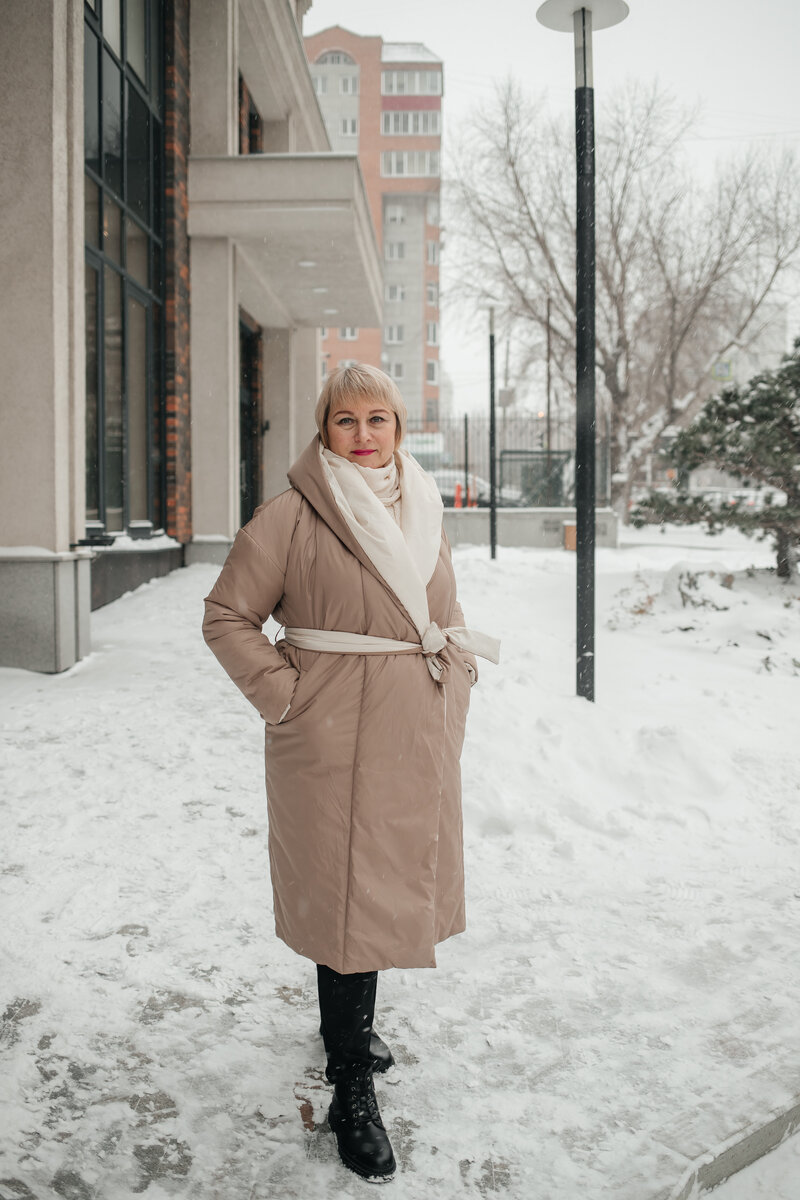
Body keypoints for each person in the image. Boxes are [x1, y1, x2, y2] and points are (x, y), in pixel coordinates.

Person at [202, 363, 499, 1182]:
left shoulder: (423, 505)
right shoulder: (291, 515)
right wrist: (291, 699)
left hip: (413, 732)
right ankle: (350, 1083)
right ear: (323, 430)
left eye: (378, 419)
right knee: (344, 898)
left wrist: (458, 677)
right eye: (346, 419)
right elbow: (227, 616)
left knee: (382, 891)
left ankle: (350, 1033)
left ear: (399, 428)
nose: (364, 435)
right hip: (332, 737)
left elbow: (442, 609)